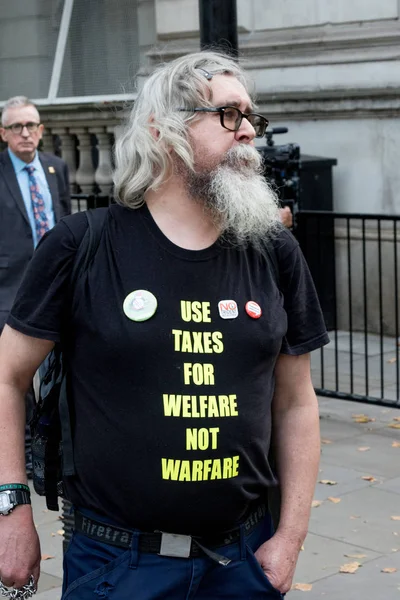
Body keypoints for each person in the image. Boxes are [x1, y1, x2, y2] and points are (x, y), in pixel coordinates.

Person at [0, 52, 328, 599]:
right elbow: (8, 378)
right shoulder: (82, 245)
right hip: (116, 564)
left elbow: (297, 402)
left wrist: (290, 538)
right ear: (163, 129)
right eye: (227, 114)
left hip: (243, 562)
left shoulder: (274, 252)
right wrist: (11, 510)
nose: (248, 131)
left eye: (251, 117)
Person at [0, 96, 71, 479]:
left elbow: (63, 225)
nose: (25, 133)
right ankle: (23, 455)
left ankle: (53, 448)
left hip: (56, 286)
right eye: (16, 127)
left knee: (58, 370)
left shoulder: (56, 168)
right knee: (17, 376)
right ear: (3, 133)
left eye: (31, 126)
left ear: (41, 130)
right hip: (9, 289)